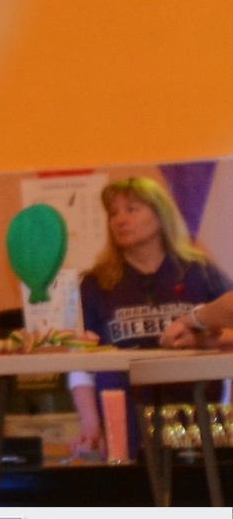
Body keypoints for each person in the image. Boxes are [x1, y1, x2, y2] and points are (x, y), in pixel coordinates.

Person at [68, 176, 230, 454]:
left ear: (160, 215)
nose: (120, 220)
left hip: (196, 416)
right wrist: (90, 424)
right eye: (113, 214)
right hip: (125, 417)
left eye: (131, 209)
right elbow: (80, 361)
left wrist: (201, 340)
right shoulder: (96, 283)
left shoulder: (199, 271)